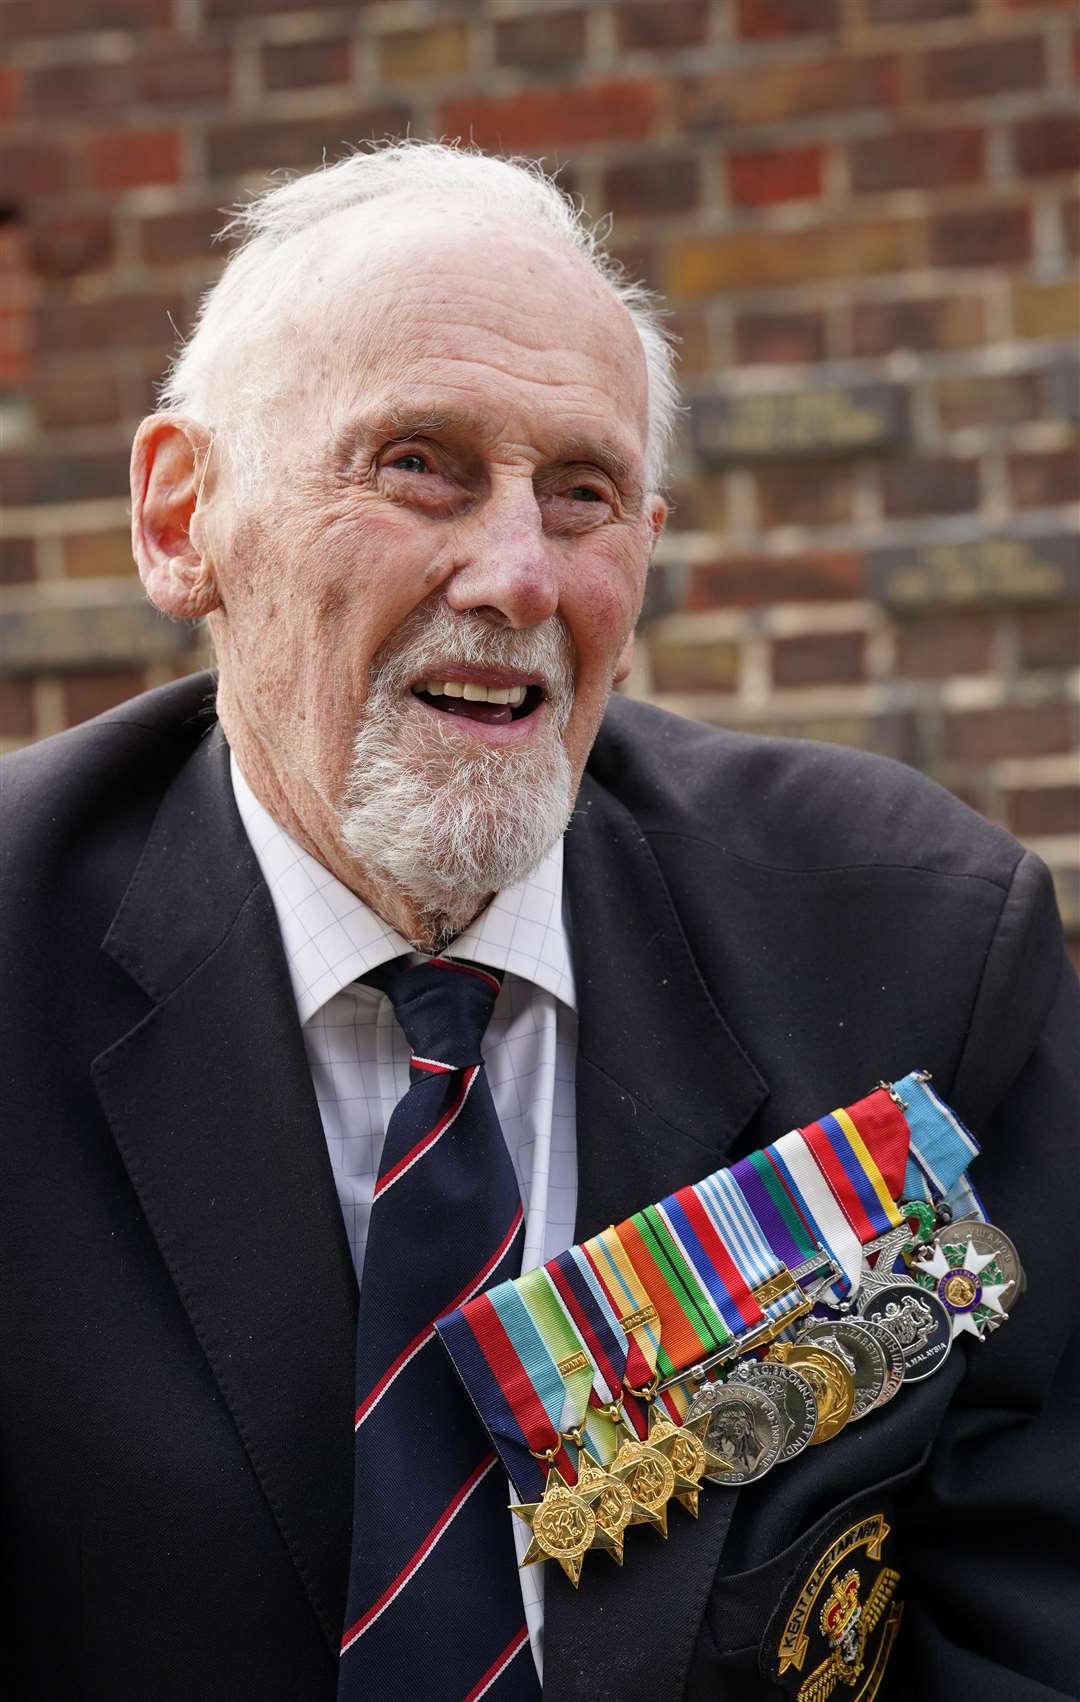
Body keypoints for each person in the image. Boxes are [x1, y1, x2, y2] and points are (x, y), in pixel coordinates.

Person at [2, 140, 1076, 1702]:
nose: (514, 575)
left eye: (581, 494)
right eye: (418, 465)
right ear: (185, 519)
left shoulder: (918, 945)